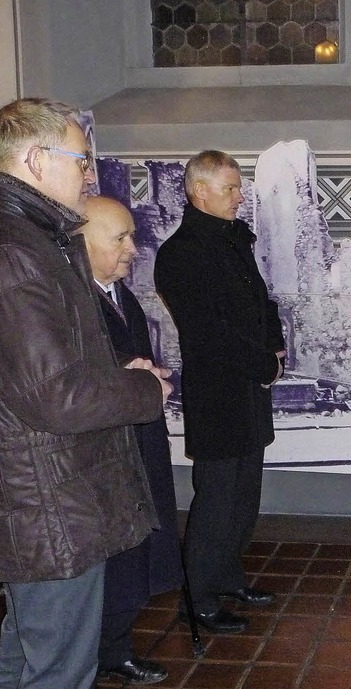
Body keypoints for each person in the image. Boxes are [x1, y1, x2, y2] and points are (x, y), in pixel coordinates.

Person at [0, 97, 172, 689]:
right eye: (82, 159)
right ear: (36, 158)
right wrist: (143, 387)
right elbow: (57, 398)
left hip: (43, 492)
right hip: (46, 500)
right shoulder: (18, 252)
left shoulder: (33, 238)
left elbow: (38, 367)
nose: (91, 173)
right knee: (58, 671)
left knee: (23, 656)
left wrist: (115, 368)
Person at [154, 150, 285, 634]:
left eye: (239, 186)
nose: (239, 196)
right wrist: (262, 365)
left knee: (245, 492)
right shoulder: (181, 253)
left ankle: (230, 576)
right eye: (229, 188)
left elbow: (260, 303)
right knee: (215, 497)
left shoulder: (234, 242)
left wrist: (276, 349)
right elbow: (207, 331)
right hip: (218, 393)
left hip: (250, 387)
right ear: (198, 192)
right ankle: (200, 596)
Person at [79, 196, 183, 686]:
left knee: (138, 547)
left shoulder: (121, 295)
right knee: (114, 556)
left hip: (139, 441)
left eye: (131, 236)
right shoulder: (72, 302)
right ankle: (105, 650)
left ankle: (117, 642)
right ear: (82, 241)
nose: (133, 249)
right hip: (104, 452)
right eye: (119, 238)